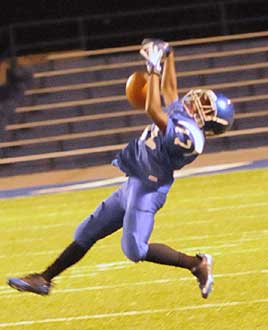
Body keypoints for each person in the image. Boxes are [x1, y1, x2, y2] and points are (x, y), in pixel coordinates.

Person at [7, 39, 234, 299]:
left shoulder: (192, 136)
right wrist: (169, 53)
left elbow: (153, 108)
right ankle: (44, 279)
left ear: (211, 121)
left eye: (205, 105)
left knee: (134, 249)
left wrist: (154, 67)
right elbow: (170, 89)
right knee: (86, 230)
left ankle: (197, 263)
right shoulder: (184, 115)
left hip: (149, 188)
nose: (196, 101)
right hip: (134, 180)